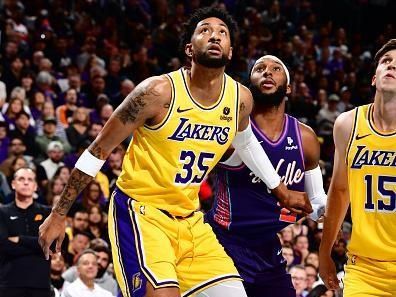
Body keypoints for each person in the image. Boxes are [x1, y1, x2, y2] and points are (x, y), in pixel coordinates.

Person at [39, 7, 311, 297]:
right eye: (205, 30)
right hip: (141, 213)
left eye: (222, 32)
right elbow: (98, 150)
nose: (215, 36)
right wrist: (59, 213)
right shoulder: (157, 92)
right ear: (190, 49)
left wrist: (280, 190)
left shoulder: (240, 98)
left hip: (190, 220)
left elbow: (245, 143)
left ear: (231, 52)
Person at [205, 55, 326, 297]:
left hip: (267, 247)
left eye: (276, 69)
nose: (267, 72)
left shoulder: (305, 138)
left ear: (289, 87)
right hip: (221, 241)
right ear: (250, 87)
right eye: (259, 69)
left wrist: (329, 212)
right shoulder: (231, 130)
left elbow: (316, 203)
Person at [319, 39, 396, 296]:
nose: (391, 66)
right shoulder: (348, 124)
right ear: (374, 78)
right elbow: (340, 191)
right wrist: (324, 252)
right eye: (386, 62)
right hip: (365, 268)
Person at [0, 167, 51, 297]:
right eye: (21, 179)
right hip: (9, 283)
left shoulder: (47, 213)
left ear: (35, 186)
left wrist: (20, 240)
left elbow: (51, 243)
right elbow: (4, 245)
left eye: (30, 179)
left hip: (41, 284)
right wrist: (39, 245)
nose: (26, 182)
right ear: (13, 184)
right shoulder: (2, 212)